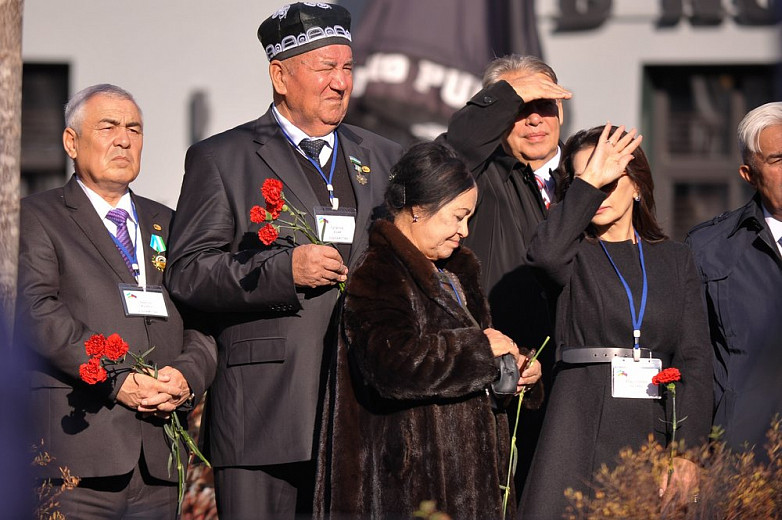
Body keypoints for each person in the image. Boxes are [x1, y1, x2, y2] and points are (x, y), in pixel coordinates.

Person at [163, 3, 403, 518]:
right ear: (279, 75)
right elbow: (186, 273)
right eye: (324, 68)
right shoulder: (222, 158)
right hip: (264, 411)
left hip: (363, 408)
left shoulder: (384, 157)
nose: (340, 82)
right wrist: (281, 272)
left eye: (347, 67)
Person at [15, 84, 217, 519]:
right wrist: (119, 378)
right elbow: (37, 311)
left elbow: (202, 316)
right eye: (107, 126)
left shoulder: (170, 222)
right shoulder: (34, 216)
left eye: (134, 129)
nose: (123, 139)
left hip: (160, 453)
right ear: (72, 141)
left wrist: (186, 377)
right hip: (77, 454)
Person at [314, 141, 543, 519]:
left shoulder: (456, 274)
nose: (464, 230)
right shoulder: (379, 273)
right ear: (418, 209)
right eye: (457, 216)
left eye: (469, 218)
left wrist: (516, 371)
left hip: (470, 486)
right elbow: (390, 366)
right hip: (410, 487)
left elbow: (469, 366)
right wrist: (482, 352)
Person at [519, 124, 714, 519]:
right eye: (590, 181)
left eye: (611, 178)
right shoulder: (571, 254)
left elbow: (694, 359)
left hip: (652, 425)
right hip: (577, 425)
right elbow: (544, 256)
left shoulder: (676, 260)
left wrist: (688, 451)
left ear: (638, 185)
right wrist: (589, 182)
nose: (600, 192)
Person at [439, 53, 572, 496]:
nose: (534, 118)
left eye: (544, 105)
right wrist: (505, 95)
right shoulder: (476, 175)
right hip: (505, 380)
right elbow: (452, 148)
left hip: (578, 383)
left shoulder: (591, 177)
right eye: (519, 107)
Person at [686, 102, 782, 456]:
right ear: (749, 174)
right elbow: (691, 358)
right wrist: (687, 451)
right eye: (779, 160)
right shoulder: (707, 248)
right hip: (741, 454)